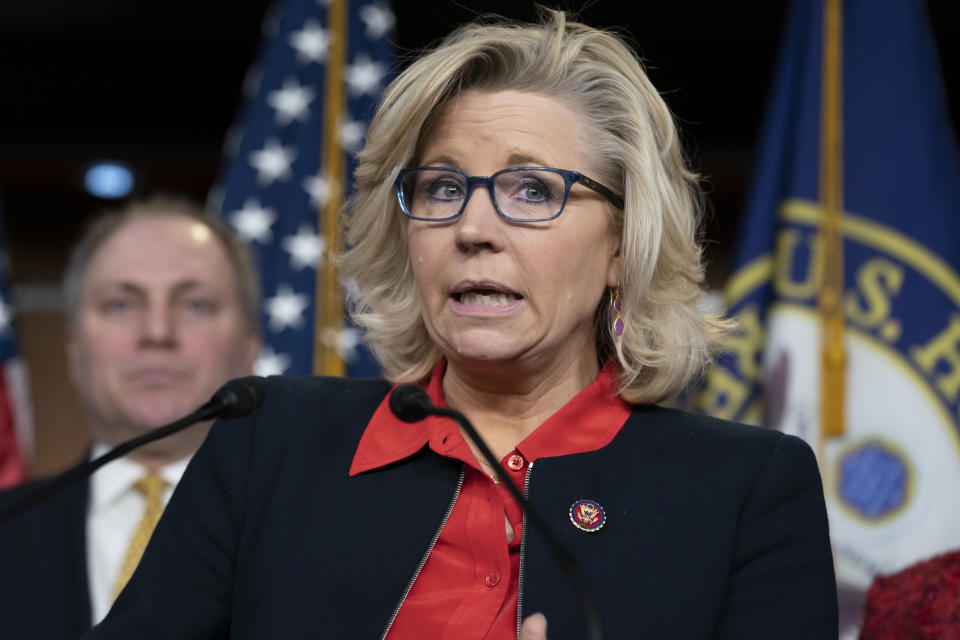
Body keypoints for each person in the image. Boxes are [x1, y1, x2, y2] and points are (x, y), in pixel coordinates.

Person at [85, 11, 838, 640]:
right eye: (443, 186)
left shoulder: (745, 490)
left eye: (533, 189)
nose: (473, 227)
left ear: (621, 241)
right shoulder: (268, 442)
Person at [0, 197, 261, 639]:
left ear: (252, 345)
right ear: (74, 347)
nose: (156, 332)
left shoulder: (313, 538)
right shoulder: (7, 528)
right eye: (121, 304)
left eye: (195, 305)